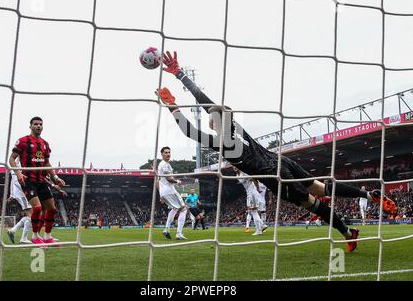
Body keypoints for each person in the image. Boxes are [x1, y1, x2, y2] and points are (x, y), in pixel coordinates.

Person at [156, 51, 397, 252]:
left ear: (217, 122)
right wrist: (179, 74)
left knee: (312, 203)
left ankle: (347, 232)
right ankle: (367, 196)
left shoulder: (226, 144)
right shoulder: (236, 129)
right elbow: (209, 103)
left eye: (212, 118)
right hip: (281, 161)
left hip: (274, 175)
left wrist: (173, 108)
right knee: (322, 188)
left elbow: (191, 131)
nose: (210, 118)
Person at [8, 116, 65, 246]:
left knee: (52, 209)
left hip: (41, 181)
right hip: (28, 181)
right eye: (35, 124)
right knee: (37, 208)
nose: (38, 126)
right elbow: (11, 159)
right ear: (30, 126)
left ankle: (47, 236)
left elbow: (47, 163)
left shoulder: (45, 144)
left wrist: (55, 178)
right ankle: (34, 237)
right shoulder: (22, 141)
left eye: (40, 124)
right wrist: (18, 173)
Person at [157, 146, 188, 240]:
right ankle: (179, 233)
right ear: (161, 154)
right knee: (184, 209)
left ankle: (166, 229)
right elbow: (169, 178)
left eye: (169, 152)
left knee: (175, 209)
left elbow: (158, 181)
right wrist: (177, 181)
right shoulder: (165, 165)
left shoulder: (160, 165)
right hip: (170, 191)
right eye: (166, 152)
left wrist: (160, 195)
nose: (168, 154)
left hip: (164, 192)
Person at [7, 158, 33, 244]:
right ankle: (23, 238)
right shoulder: (16, 164)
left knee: (31, 215)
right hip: (21, 194)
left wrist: (11, 194)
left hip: (22, 193)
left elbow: (12, 181)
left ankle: (13, 231)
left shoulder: (15, 167)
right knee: (31, 216)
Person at [232, 166, 265, 235]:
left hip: (252, 192)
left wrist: (258, 189)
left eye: (235, 166)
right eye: (233, 166)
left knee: (253, 211)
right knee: (252, 211)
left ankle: (259, 229)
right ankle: (261, 226)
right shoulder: (237, 176)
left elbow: (254, 180)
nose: (234, 167)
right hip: (249, 193)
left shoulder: (244, 173)